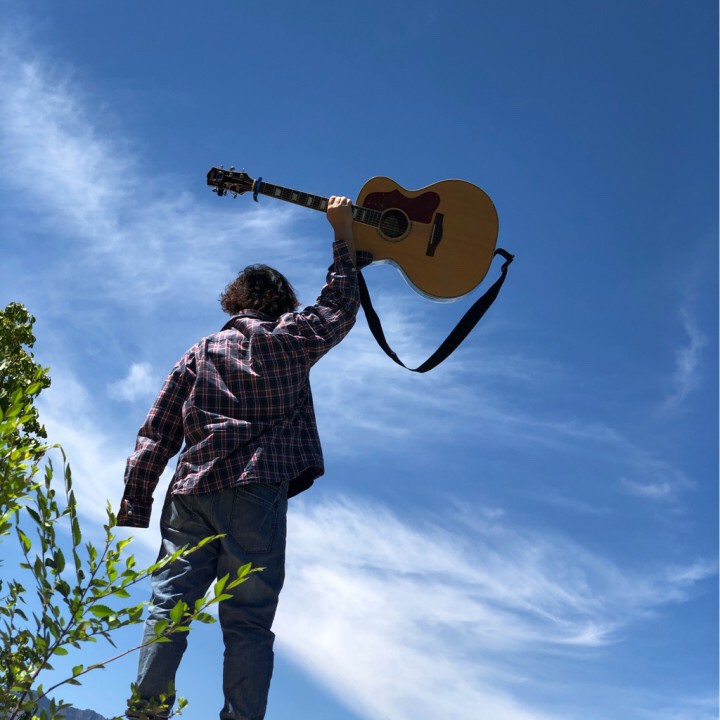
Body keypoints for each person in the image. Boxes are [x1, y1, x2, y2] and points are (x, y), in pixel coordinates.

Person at [117, 196, 371, 720]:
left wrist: (137, 502)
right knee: (249, 625)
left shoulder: (199, 352)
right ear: (281, 304)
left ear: (234, 301)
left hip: (191, 495)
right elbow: (339, 307)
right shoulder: (289, 339)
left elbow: (156, 433)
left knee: (168, 610)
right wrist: (343, 236)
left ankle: (145, 715)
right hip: (257, 492)